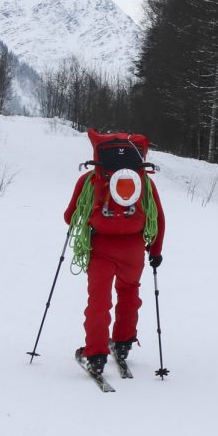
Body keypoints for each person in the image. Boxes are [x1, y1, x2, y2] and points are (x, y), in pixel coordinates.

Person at [64, 130, 165, 375]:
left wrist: (88, 216)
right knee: (129, 294)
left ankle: (96, 354)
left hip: (101, 248)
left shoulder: (90, 180)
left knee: (99, 301)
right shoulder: (145, 182)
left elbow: (70, 217)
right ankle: (122, 344)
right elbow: (158, 217)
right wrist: (156, 250)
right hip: (133, 250)